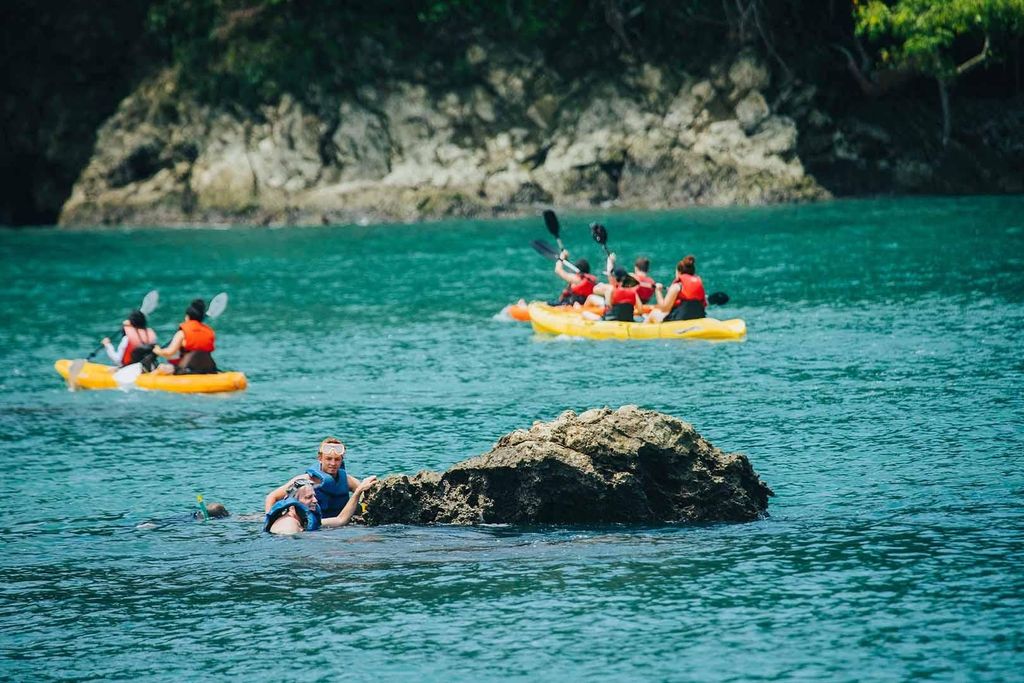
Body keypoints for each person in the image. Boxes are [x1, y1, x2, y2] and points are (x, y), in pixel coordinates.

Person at [264, 437, 372, 520]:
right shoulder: (304, 481)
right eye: (328, 459)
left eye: (337, 459)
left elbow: (366, 493)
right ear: (320, 458)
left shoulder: (348, 481)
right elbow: (272, 497)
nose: (333, 463)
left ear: (342, 460)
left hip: (339, 525)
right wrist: (269, 519)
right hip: (316, 525)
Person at [264, 476, 379, 535]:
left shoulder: (304, 520)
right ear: (292, 506)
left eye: (314, 496)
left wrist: (358, 491)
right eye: (308, 497)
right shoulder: (288, 525)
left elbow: (340, 520)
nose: (315, 500)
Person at [152, 299, 217, 374]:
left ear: (188, 317)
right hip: (208, 368)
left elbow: (169, 352)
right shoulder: (209, 331)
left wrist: (158, 351)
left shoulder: (182, 333)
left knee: (161, 367)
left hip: (188, 369)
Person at [650, 255, 707, 323]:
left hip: (679, 321)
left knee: (654, 313)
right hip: (699, 318)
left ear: (679, 272)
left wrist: (658, 291)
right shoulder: (698, 283)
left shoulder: (677, 286)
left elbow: (664, 309)